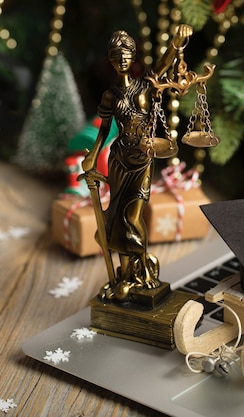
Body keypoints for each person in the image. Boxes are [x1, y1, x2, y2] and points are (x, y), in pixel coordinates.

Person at [79, 25, 193, 302]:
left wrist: (177, 44)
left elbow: (165, 64)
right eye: (117, 56)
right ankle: (125, 276)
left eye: (127, 54)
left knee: (132, 216)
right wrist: (93, 155)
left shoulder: (146, 83)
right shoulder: (110, 95)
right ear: (111, 61)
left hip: (142, 159)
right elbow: (105, 129)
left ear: (133, 57)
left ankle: (142, 268)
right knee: (116, 218)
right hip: (118, 158)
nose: (122, 60)